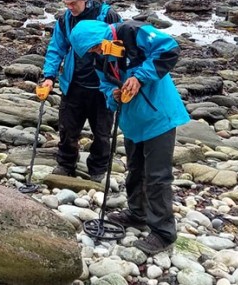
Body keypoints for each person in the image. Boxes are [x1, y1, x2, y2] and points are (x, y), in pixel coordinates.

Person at [68, 19, 190, 255]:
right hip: (133, 120)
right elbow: (105, 86)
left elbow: (169, 48)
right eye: (92, 51)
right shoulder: (100, 58)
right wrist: (113, 95)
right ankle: (137, 214)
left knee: (157, 176)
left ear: (102, 35)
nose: (97, 52)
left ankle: (164, 233)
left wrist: (139, 77)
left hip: (159, 116)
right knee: (135, 170)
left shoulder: (131, 32)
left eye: (96, 46)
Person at [39, 0, 121, 182]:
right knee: (68, 128)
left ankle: (98, 169)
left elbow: (121, 45)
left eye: (73, 3)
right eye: (66, 4)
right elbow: (56, 48)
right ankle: (66, 164)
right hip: (74, 83)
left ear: (85, 0)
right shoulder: (65, 20)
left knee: (102, 132)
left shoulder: (108, 16)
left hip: (103, 87)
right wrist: (49, 76)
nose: (70, 7)